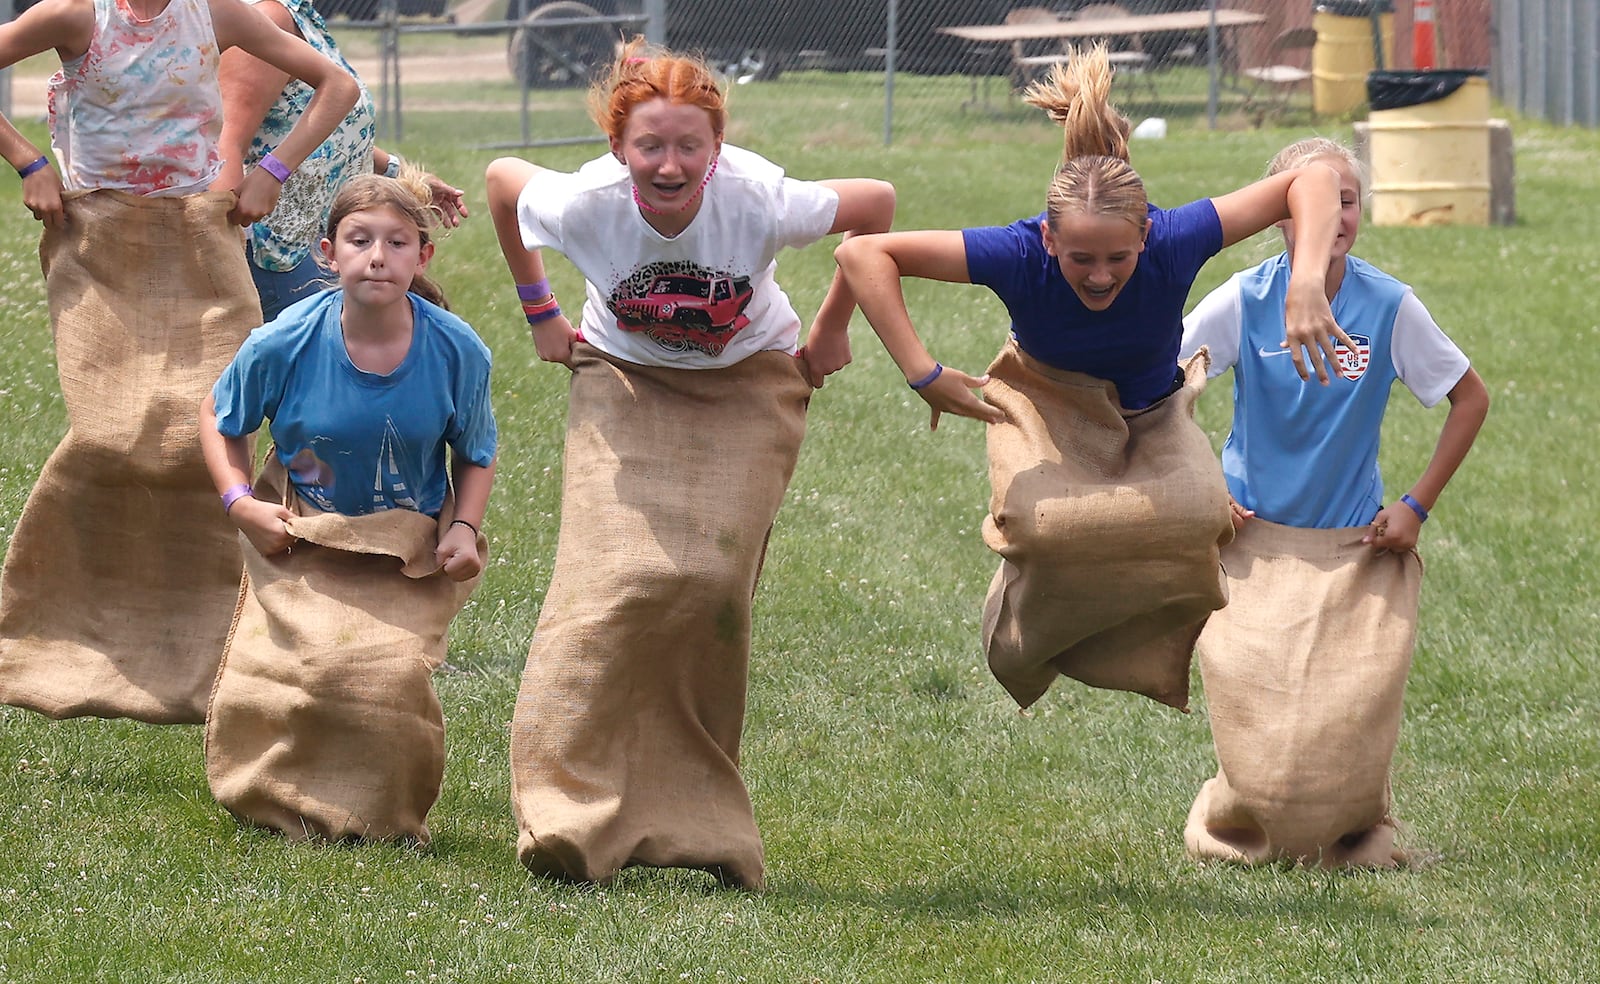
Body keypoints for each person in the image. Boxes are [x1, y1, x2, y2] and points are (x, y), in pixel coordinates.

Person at [833, 44, 1354, 714]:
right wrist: (921, 372)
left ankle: (1139, 651)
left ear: (1146, 236)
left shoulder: (1177, 239)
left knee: (1200, 521)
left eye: (1118, 256)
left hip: (1153, 408)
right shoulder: (1018, 254)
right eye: (1081, 258)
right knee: (1044, 530)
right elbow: (864, 252)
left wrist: (1306, 283)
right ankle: (1016, 626)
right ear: (1049, 242)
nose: (1101, 275)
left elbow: (1309, 180)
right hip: (1047, 403)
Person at [485, 37, 895, 889]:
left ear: (716, 148)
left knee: (709, 589)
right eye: (649, 146)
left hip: (746, 380)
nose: (668, 165)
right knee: (609, 585)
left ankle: (696, 818)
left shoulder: (758, 198)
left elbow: (876, 204)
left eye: (688, 147)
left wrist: (831, 326)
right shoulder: (585, 202)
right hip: (625, 378)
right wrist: (539, 311)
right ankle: (568, 814)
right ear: (616, 148)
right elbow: (500, 182)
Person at [0, 0, 359, 725]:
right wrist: (28, 159)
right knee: (107, 438)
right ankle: (52, 637)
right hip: (100, 243)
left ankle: (225, 647)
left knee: (203, 439)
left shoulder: (216, 13)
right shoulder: (75, 15)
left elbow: (337, 87)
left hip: (198, 240)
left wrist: (274, 169)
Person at [1178, 136, 1489, 867]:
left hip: (1354, 549)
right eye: (1317, 201)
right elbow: (1165, 388)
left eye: (1348, 199)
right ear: (1277, 216)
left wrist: (1416, 505)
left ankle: (1353, 831)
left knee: (1346, 712)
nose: (1336, 214)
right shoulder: (1243, 302)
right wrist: (1207, 490)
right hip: (1252, 547)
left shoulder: (1388, 307)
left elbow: (1470, 399)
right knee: (1259, 711)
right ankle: (1240, 826)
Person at [199, 169, 497, 844]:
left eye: (397, 242)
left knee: (383, 678)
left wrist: (463, 528)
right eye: (359, 239)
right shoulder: (284, 341)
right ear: (328, 253)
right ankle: (268, 795)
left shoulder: (456, 350)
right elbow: (220, 417)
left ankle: (381, 817)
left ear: (423, 256)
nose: (378, 256)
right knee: (295, 670)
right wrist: (240, 503)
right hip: (304, 527)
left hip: (407, 543)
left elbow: (477, 451)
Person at [216, 0, 469, 320]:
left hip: (319, 246)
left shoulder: (299, 16)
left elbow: (334, 132)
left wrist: (399, 172)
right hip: (279, 254)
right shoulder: (267, 17)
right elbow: (226, 141)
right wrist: (221, 250)